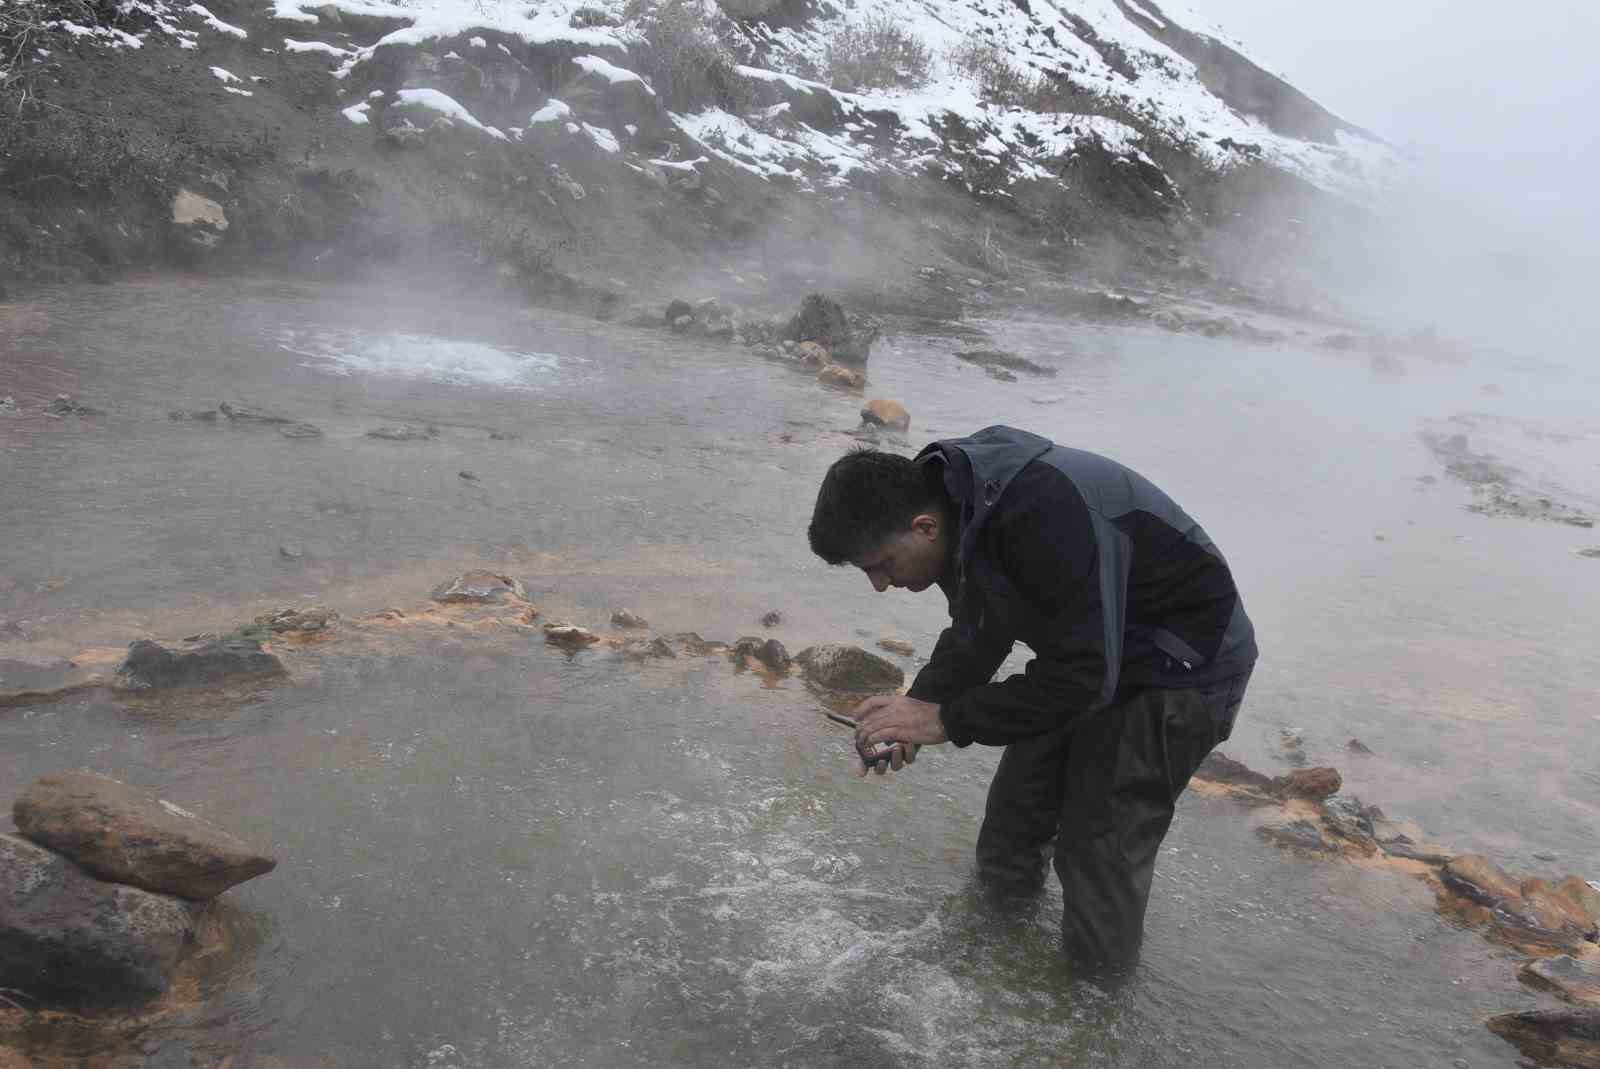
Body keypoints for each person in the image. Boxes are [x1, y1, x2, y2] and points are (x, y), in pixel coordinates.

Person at [806, 425, 1257, 970]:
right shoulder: (959, 504)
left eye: (881, 565)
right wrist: (916, 710)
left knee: (1097, 848)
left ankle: (1090, 1014)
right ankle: (995, 953)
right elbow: (979, 629)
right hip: (1094, 651)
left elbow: (1084, 681)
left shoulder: (1043, 514)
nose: (879, 585)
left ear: (922, 528)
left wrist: (945, 719)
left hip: (1184, 666)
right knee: (1015, 817)